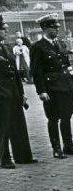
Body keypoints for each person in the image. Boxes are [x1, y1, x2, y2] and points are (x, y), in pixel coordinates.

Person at [30, 14, 73, 159]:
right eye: (53, 27)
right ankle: (56, 148)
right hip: (51, 87)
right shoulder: (38, 47)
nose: (56, 30)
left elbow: (67, 67)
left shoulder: (60, 44)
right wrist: (41, 91)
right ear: (45, 28)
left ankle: (68, 146)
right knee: (53, 118)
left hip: (66, 86)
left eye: (57, 27)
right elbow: (36, 71)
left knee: (67, 115)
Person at [0, 15, 36, 169]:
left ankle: (23, 156)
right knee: (3, 126)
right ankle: (4, 158)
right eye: (3, 28)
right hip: (1, 92)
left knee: (18, 123)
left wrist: (21, 93)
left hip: (13, 91)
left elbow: (15, 73)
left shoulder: (7, 47)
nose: (6, 30)